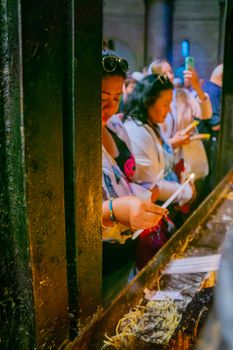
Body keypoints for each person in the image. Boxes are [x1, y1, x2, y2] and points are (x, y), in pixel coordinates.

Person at [101, 45, 167, 304]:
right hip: (97, 260)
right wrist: (116, 209)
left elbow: (127, 177)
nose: (109, 107)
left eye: (116, 98)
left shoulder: (116, 126)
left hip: (126, 251)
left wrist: (145, 191)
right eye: (102, 97)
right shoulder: (68, 139)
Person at [198, 64, 223, 192]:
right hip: (207, 143)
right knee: (208, 182)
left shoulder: (208, 87)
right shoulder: (214, 91)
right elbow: (216, 124)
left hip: (206, 143)